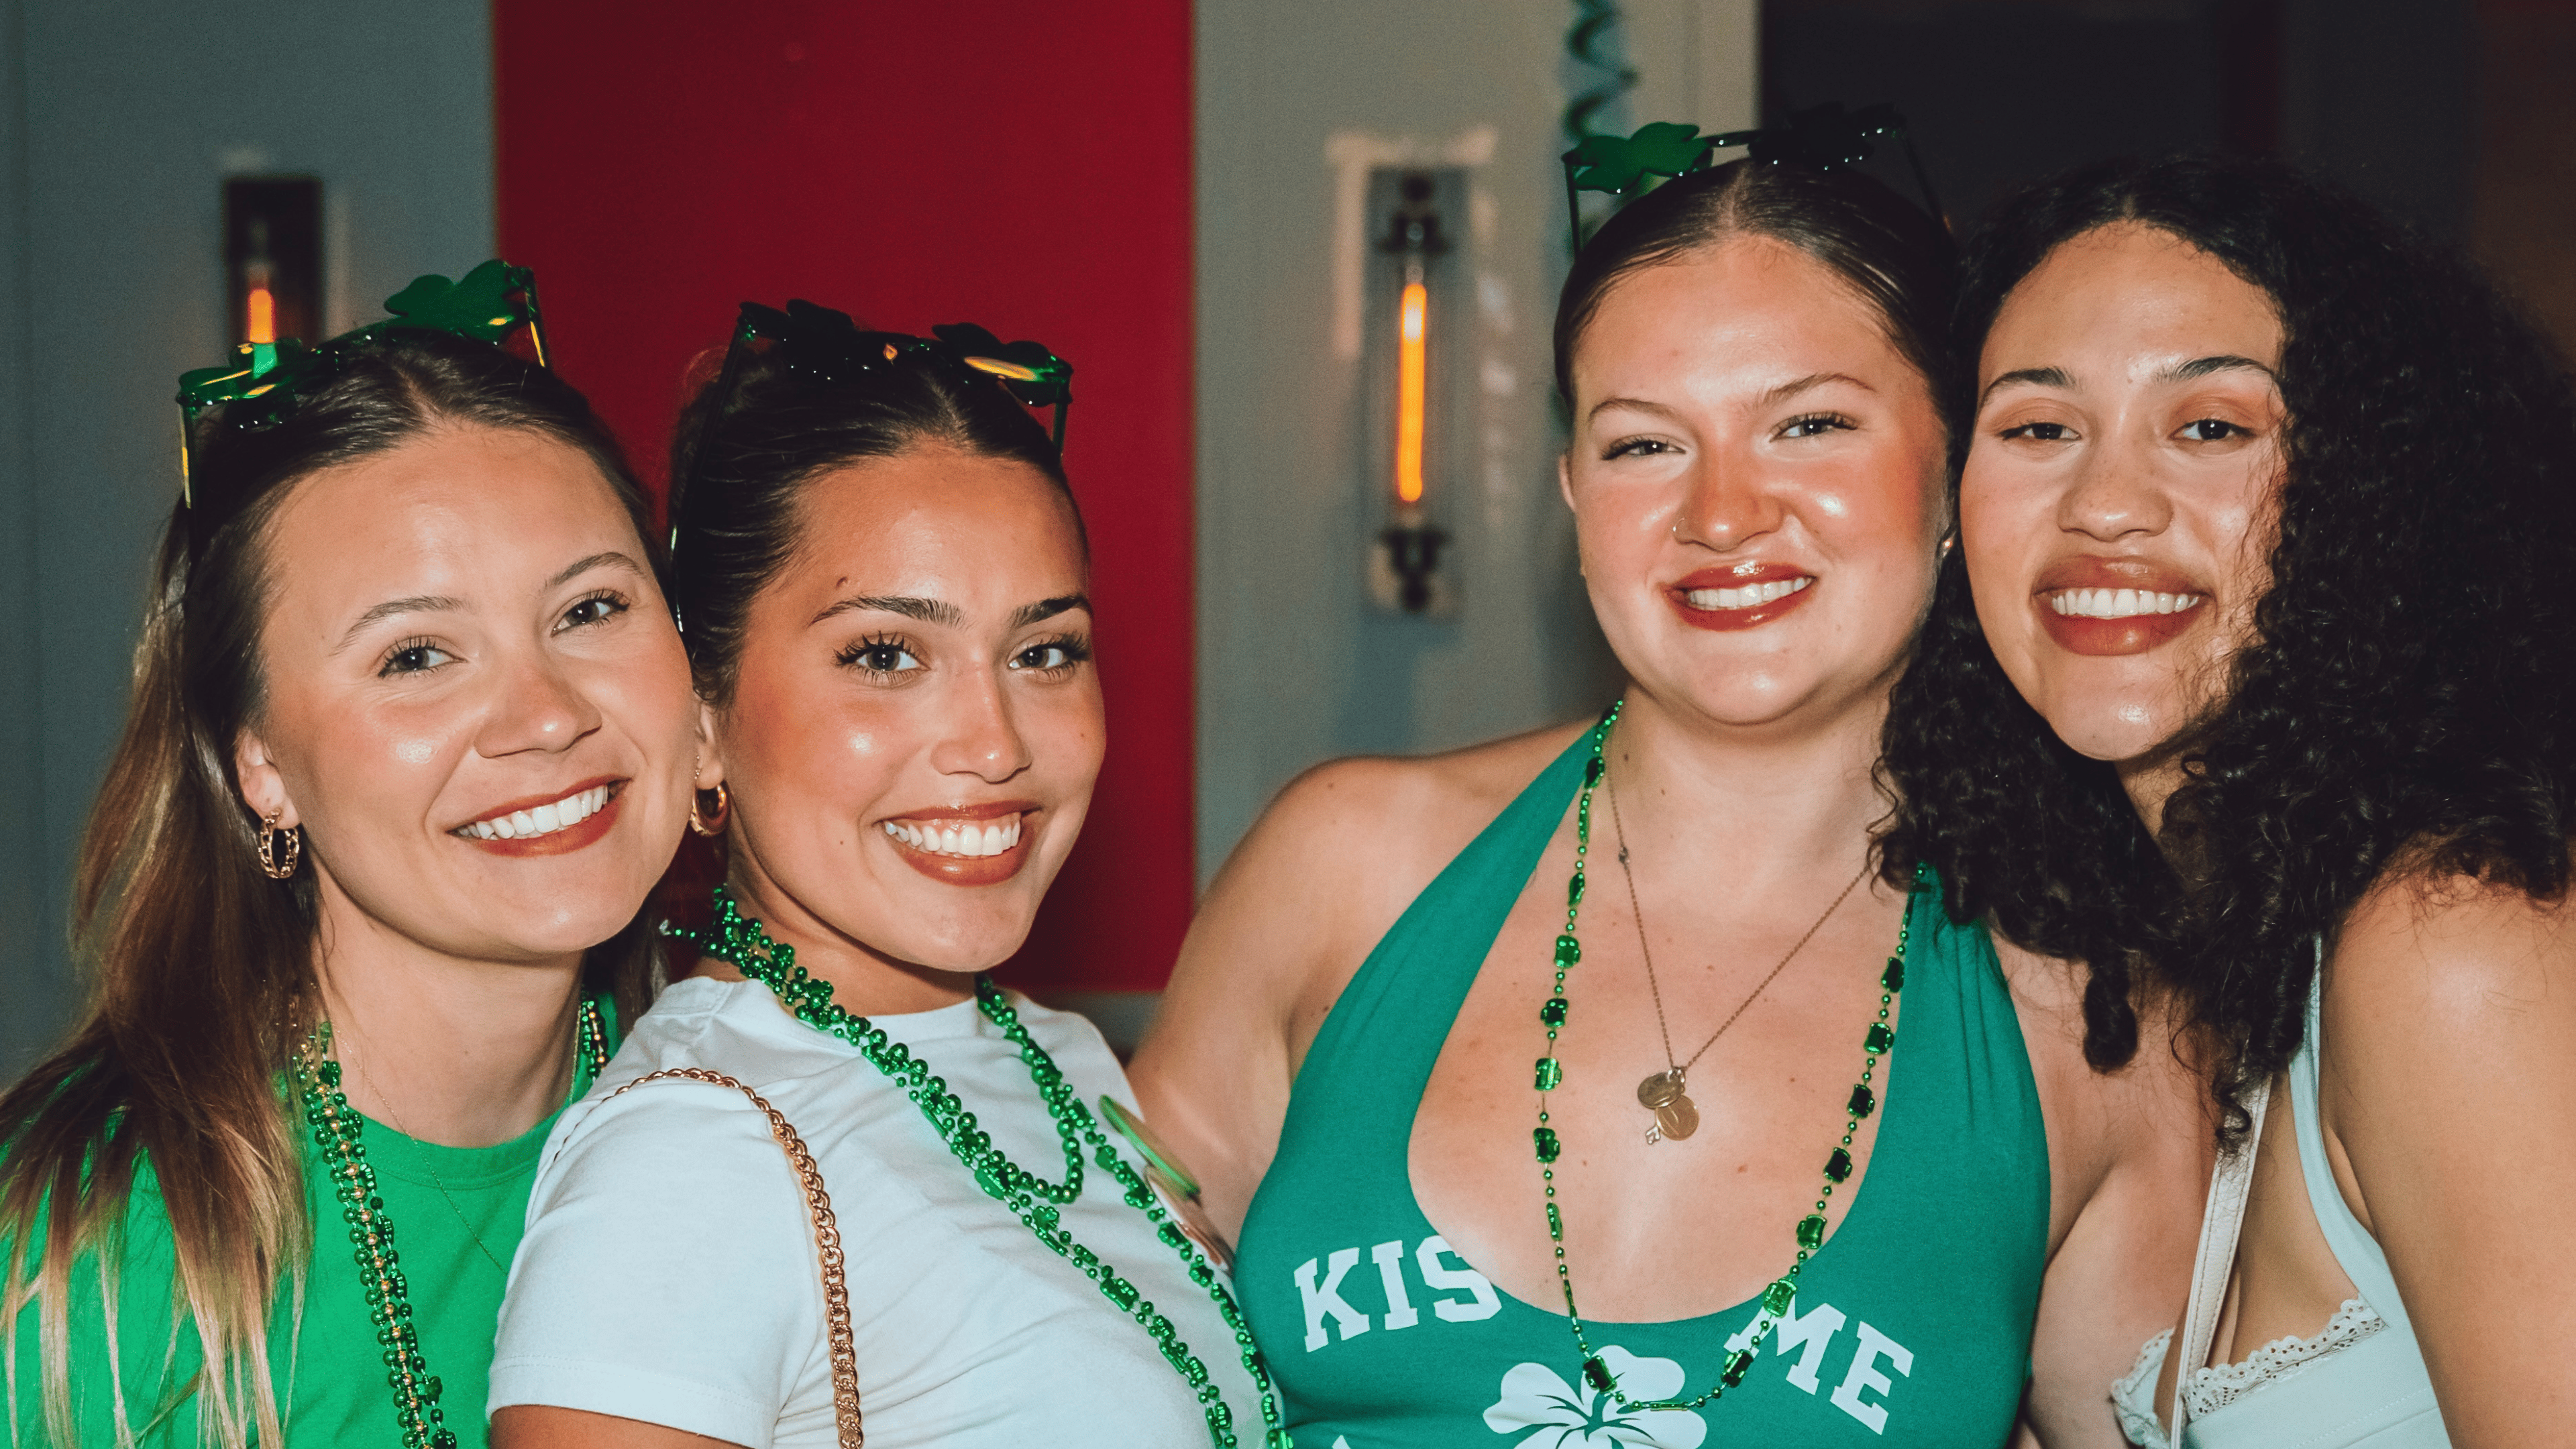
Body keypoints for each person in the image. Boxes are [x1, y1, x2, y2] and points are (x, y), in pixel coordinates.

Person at [1129, 148, 2208, 1448]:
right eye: (1645, 444)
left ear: (1952, 472)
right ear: (1576, 495)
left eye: (1809, 424)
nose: (1723, 513)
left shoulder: (2096, 1021)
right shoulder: (1350, 866)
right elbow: (1083, 1344)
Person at [489, 303, 1277, 1449]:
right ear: (700, 717)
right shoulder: (693, 1159)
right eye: (886, 655)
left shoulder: (1059, 1060)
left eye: (1044, 650)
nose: (995, 742)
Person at [1889, 154, 2576, 1446]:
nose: (2104, 506)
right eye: (2039, 427)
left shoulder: (2450, 943)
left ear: (2374, 490)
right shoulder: (2203, 968)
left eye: (2211, 426)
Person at [0, 262, 701, 1448]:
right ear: (260, 764)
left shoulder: (746, 1099)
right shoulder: (78, 1261)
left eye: (589, 610)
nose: (545, 715)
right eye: (416, 656)